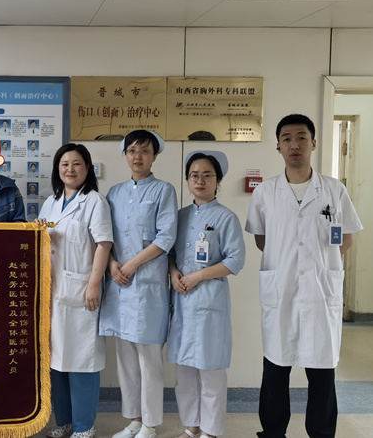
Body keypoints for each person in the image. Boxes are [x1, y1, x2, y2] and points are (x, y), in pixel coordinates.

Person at [245, 114, 362, 438]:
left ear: (313, 143)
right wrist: (289, 259)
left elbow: (346, 238)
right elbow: (262, 239)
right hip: (280, 290)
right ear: (278, 146)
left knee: (322, 372)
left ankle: (321, 434)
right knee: (275, 370)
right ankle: (273, 432)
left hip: (321, 292)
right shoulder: (265, 192)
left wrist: (318, 265)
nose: (294, 144)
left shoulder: (334, 190)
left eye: (301, 137)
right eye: (286, 138)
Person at [100, 130, 177, 438]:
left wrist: (132, 263)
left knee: (149, 361)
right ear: (125, 155)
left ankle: (150, 424)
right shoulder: (114, 193)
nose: (137, 156)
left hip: (147, 286)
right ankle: (133, 420)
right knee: (126, 360)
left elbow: (166, 237)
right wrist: (112, 264)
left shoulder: (164, 190)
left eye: (144, 151)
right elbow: (104, 236)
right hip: (119, 285)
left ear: (154, 156)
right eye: (132, 150)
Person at [37, 144, 113, 438]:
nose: (70, 169)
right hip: (52, 292)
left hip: (82, 293)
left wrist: (94, 284)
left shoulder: (94, 202)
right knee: (57, 362)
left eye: (76, 163)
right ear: (58, 169)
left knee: (82, 362)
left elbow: (104, 244)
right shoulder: (51, 202)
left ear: (87, 168)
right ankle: (64, 422)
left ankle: (84, 426)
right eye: (64, 164)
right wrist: (39, 229)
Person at [168, 151, 246, 438]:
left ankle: (210, 431)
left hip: (210, 300)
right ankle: (192, 426)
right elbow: (170, 252)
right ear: (187, 180)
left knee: (210, 370)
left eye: (207, 175)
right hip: (183, 300)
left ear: (218, 180)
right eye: (194, 175)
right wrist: (173, 273)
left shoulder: (226, 217)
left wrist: (199, 275)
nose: (200, 180)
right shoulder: (180, 216)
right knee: (185, 371)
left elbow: (235, 260)